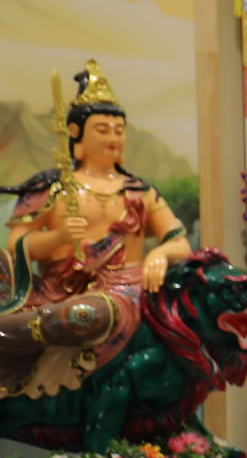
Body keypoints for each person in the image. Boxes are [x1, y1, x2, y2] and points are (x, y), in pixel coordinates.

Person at [0, 61, 193, 398]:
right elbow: (17, 244)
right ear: (76, 133)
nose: (114, 138)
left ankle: (10, 334)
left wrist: (161, 254)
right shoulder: (51, 187)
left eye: (119, 130)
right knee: (65, 309)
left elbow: (179, 242)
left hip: (121, 292)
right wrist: (59, 238)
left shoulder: (139, 191)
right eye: (103, 130)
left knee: (86, 313)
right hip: (54, 289)